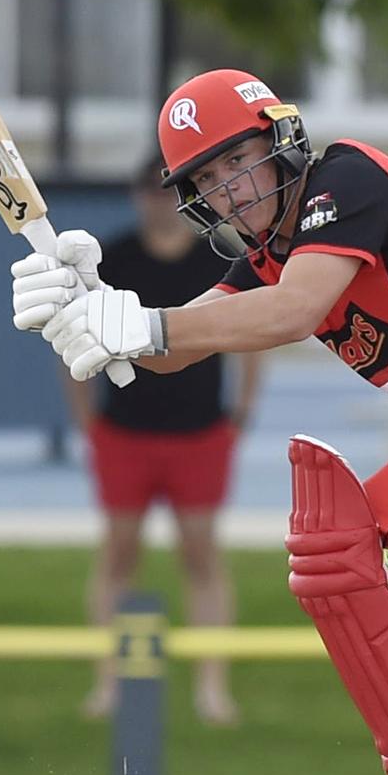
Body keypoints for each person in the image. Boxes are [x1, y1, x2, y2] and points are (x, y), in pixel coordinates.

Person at [10, 67, 388, 775]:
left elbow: (289, 312)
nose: (232, 187)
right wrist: (98, 307)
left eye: (238, 159)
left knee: (356, 541)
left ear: (282, 141)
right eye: (211, 176)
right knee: (349, 549)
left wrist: (144, 324)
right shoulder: (273, 255)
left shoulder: (345, 184)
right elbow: (182, 345)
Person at [64, 156, 261, 724]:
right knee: (120, 555)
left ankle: (212, 688)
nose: (156, 201)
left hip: (200, 430)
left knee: (201, 556)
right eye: (146, 191)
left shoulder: (218, 258)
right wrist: (86, 419)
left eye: (166, 192)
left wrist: (242, 411)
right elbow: (73, 343)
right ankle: (108, 683)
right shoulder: (113, 259)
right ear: (135, 198)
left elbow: (254, 328)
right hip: (125, 430)